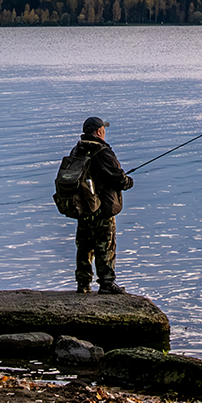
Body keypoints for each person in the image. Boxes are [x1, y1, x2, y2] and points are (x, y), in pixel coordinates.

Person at [70, 116, 133, 294]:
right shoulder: (102, 151)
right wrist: (129, 181)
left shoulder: (78, 149)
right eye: (103, 129)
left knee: (84, 246)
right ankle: (106, 283)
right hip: (102, 208)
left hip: (83, 207)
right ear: (99, 131)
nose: (104, 132)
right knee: (106, 244)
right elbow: (119, 179)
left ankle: (83, 284)